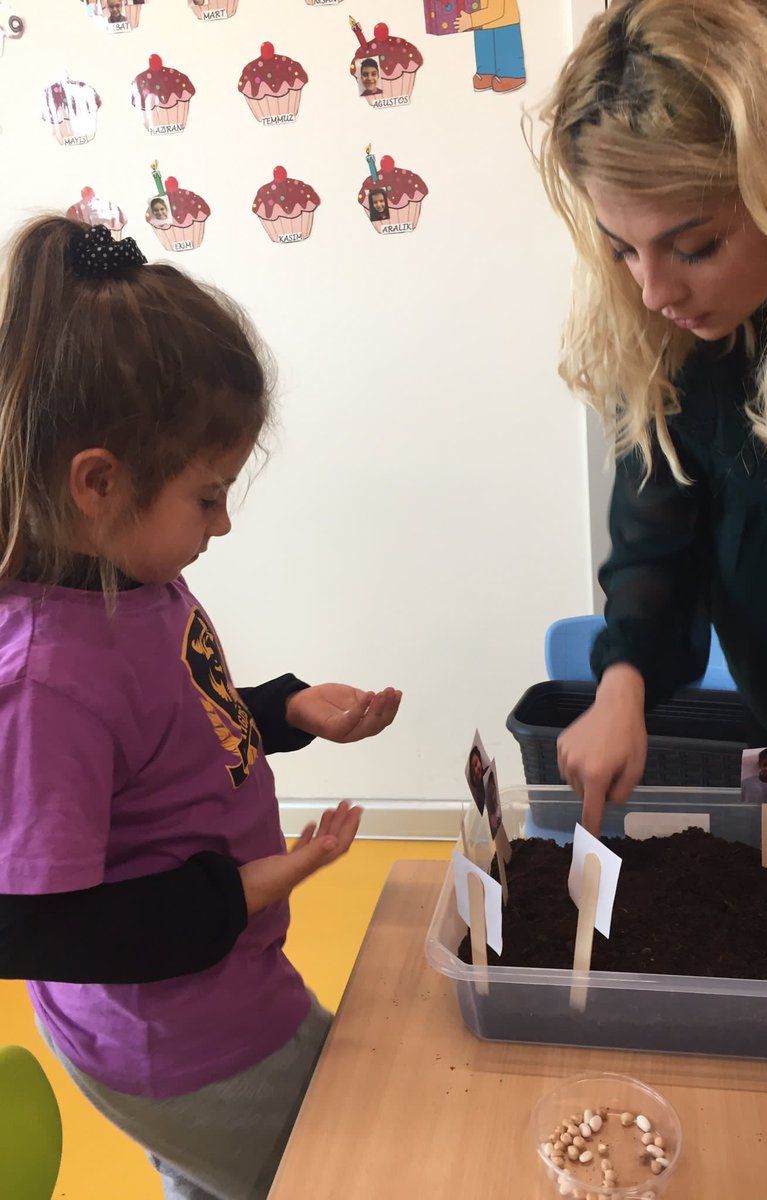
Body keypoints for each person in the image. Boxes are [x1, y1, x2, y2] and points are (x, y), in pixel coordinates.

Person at [0, 216, 402, 1200]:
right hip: (176, 1038)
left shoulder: (135, 581)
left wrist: (287, 708)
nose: (224, 523)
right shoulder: (46, 678)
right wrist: (257, 883)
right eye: (209, 496)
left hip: (225, 986)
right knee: (347, 1163)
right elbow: (33, 928)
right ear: (97, 484)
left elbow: (179, 729)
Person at [537, 0, 767, 834]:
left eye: (694, 247)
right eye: (623, 249)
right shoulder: (669, 348)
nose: (655, 293)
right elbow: (656, 542)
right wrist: (623, 683)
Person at [455, 0, 526, 95]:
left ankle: (511, 74)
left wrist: (471, 20)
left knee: (504, 43)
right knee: (483, 42)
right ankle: (486, 71)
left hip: (504, 23)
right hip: (482, 22)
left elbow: (497, 11)